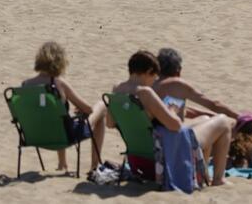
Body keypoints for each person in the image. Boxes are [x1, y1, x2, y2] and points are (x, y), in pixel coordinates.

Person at [109, 51, 231, 186]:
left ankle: (203, 175)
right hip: (162, 159)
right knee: (223, 122)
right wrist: (172, 110)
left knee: (205, 119)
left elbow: (109, 123)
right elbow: (175, 126)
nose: (155, 80)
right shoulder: (145, 92)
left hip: (137, 160)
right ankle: (218, 179)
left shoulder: (117, 89)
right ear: (148, 71)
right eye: (154, 76)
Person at [20, 42, 106, 171]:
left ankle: (62, 163)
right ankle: (95, 165)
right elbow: (88, 109)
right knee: (101, 107)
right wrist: (82, 109)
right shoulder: (58, 83)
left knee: (56, 115)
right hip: (63, 137)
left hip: (34, 136)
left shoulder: (25, 85)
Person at [153, 48, 239, 120]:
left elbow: (184, 110)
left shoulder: (150, 84)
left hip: (153, 132)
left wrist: (213, 116)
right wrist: (239, 118)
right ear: (179, 71)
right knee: (221, 121)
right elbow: (214, 105)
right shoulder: (177, 84)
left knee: (208, 118)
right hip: (171, 134)